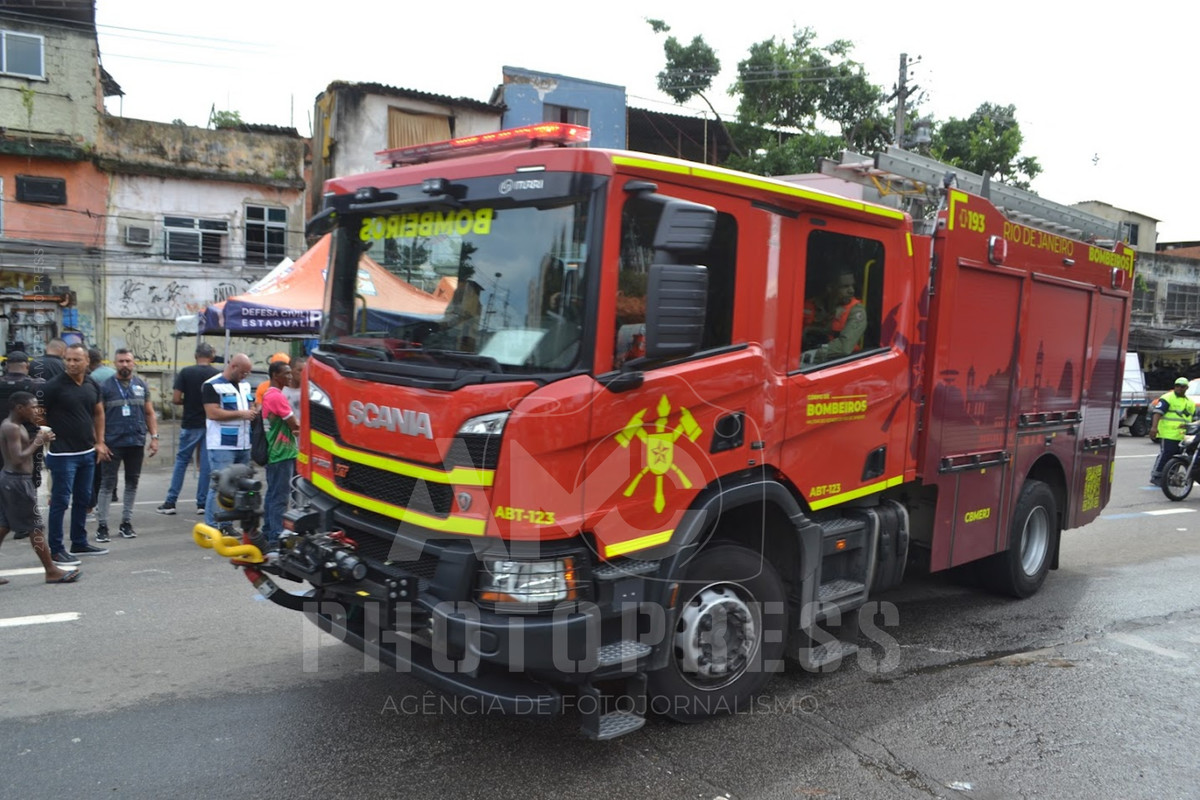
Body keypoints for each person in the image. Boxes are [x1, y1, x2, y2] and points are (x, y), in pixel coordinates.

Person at [0, 392, 80, 584]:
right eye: (33, 407)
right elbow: (17, 458)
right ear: (20, 408)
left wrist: (38, 438)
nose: (36, 411)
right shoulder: (11, 427)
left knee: (4, 525)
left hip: (13, 481)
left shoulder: (16, 425)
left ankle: (51, 570)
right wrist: (38, 441)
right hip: (17, 482)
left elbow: (20, 449)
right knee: (35, 527)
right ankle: (51, 571)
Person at [41, 343, 110, 562]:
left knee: (83, 499)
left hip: (87, 452)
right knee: (60, 502)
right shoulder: (53, 386)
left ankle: (79, 542)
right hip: (62, 455)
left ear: (87, 361)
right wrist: (46, 432)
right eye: (68, 359)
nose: (71, 364)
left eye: (76, 360)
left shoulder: (92, 384)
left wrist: (100, 442)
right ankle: (56, 549)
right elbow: (38, 413)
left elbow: (99, 413)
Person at [95, 349, 158, 542]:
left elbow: (149, 413)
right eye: (121, 361)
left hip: (135, 441)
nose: (124, 364)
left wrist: (154, 437)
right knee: (107, 484)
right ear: (115, 363)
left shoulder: (141, 385)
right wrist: (100, 442)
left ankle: (126, 523)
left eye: (128, 361)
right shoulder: (105, 387)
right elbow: (97, 416)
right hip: (112, 443)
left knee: (132, 483)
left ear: (133, 363)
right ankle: (102, 525)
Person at [158, 343, 219, 515]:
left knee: (182, 461)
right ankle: (202, 503)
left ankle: (171, 501)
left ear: (195, 355)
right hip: (209, 423)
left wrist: (190, 401)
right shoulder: (216, 374)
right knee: (206, 465)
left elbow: (176, 399)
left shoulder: (186, 372)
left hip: (190, 422)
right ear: (211, 356)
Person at [202, 353, 256, 528]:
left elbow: (250, 405)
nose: (245, 376)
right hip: (222, 445)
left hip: (244, 443)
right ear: (233, 366)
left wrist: (253, 410)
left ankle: (227, 526)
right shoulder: (212, 385)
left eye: (247, 373)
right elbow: (212, 413)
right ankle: (212, 526)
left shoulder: (245, 385)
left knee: (238, 486)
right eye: (243, 372)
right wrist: (242, 414)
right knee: (220, 485)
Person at [260, 360, 299, 545]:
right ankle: (276, 538)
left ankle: (268, 531)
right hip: (282, 453)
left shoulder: (269, 394)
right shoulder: (276, 396)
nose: (290, 376)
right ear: (276, 375)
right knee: (280, 498)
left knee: (272, 495)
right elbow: (294, 424)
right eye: (287, 373)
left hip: (276, 453)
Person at [805, 270, 866, 364]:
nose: (851, 291)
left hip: (841, 361)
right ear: (830, 288)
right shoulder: (811, 304)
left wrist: (810, 355)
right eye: (845, 286)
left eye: (852, 286)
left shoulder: (856, 310)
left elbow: (844, 347)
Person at [1149, 376, 1197, 486]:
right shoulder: (1167, 398)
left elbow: (1193, 419)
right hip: (1168, 433)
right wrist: (1154, 428)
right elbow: (1157, 413)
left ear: (1187, 388)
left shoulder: (1190, 402)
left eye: (1182, 386)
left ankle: (1170, 476)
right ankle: (1157, 476)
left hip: (1183, 435)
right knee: (1166, 454)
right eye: (1177, 386)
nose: (1179, 388)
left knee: (1178, 457)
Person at [282, 355, 305, 424]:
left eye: (305, 370)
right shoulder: (282, 392)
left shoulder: (310, 391)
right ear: (290, 370)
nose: (303, 373)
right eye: (299, 370)